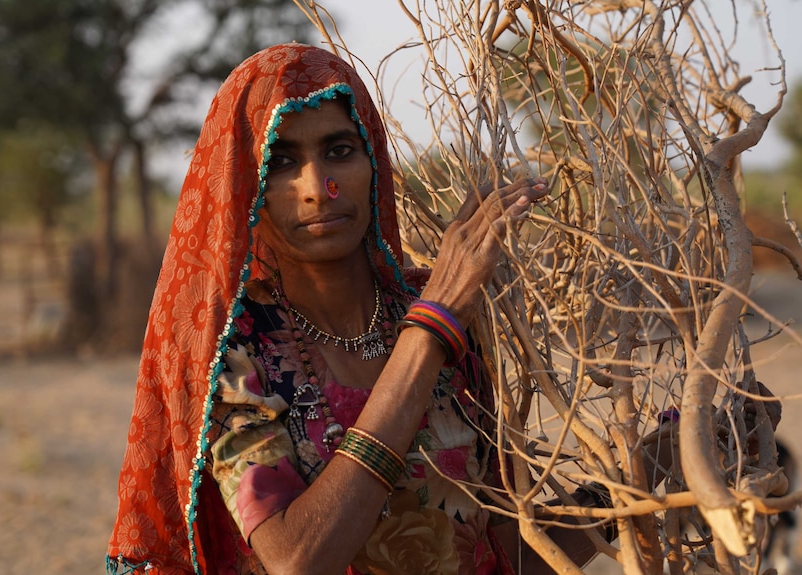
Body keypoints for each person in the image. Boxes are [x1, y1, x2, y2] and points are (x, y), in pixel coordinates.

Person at [106, 42, 664, 575]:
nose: (318, 188)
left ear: (373, 159)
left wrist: (652, 469)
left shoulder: (446, 323)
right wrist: (432, 326)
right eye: (281, 161)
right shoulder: (235, 357)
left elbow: (500, 552)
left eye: (339, 150)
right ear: (248, 183)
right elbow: (298, 559)